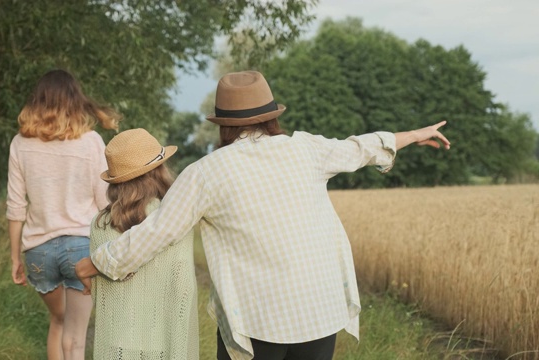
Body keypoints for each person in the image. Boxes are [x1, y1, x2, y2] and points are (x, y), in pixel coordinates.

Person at [77, 71, 451, 360]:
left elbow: (157, 233)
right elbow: (361, 147)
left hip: (258, 323)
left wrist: (97, 263)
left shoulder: (206, 173)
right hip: (320, 311)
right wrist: (414, 134)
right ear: (271, 116)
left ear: (223, 124)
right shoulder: (306, 149)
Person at [6, 69, 120, 360]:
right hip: (82, 246)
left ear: (38, 101)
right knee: (76, 341)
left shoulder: (20, 143)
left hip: (38, 252)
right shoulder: (92, 141)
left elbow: (16, 205)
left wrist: (15, 257)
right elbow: (104, 201)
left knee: (58, 320)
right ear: (75, 100)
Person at [75, 128, 199, 360]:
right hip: (167, 335)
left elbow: (98, 282)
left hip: (119, 337)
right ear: (159, 170)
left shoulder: (101, 223)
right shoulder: (175, 216)